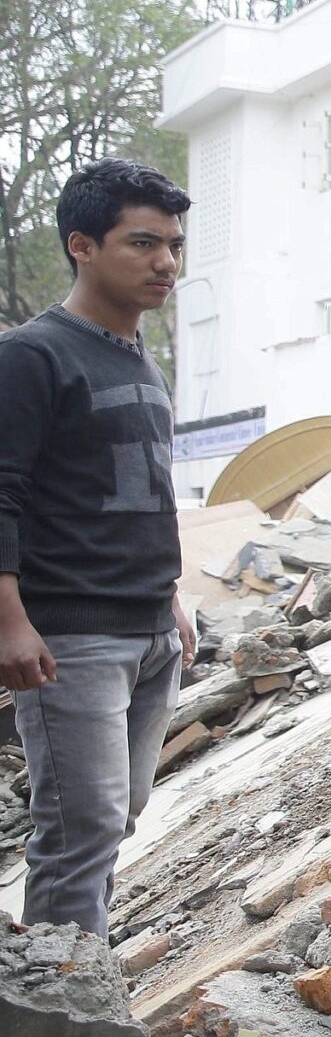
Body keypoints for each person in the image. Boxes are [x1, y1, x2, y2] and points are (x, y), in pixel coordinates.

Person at [0, 158, 194, 936]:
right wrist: (10, 619)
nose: (165, 264)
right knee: (79, 831)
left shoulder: (141, 359)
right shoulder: (31, 356)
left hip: (150, 630)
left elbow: (137, 493)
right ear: (82, 245)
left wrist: (171, 598)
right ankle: (63, 1036)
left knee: (112, 821)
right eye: (143, 244)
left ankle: (72, 1004)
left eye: (174, 246)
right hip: (72, 637)